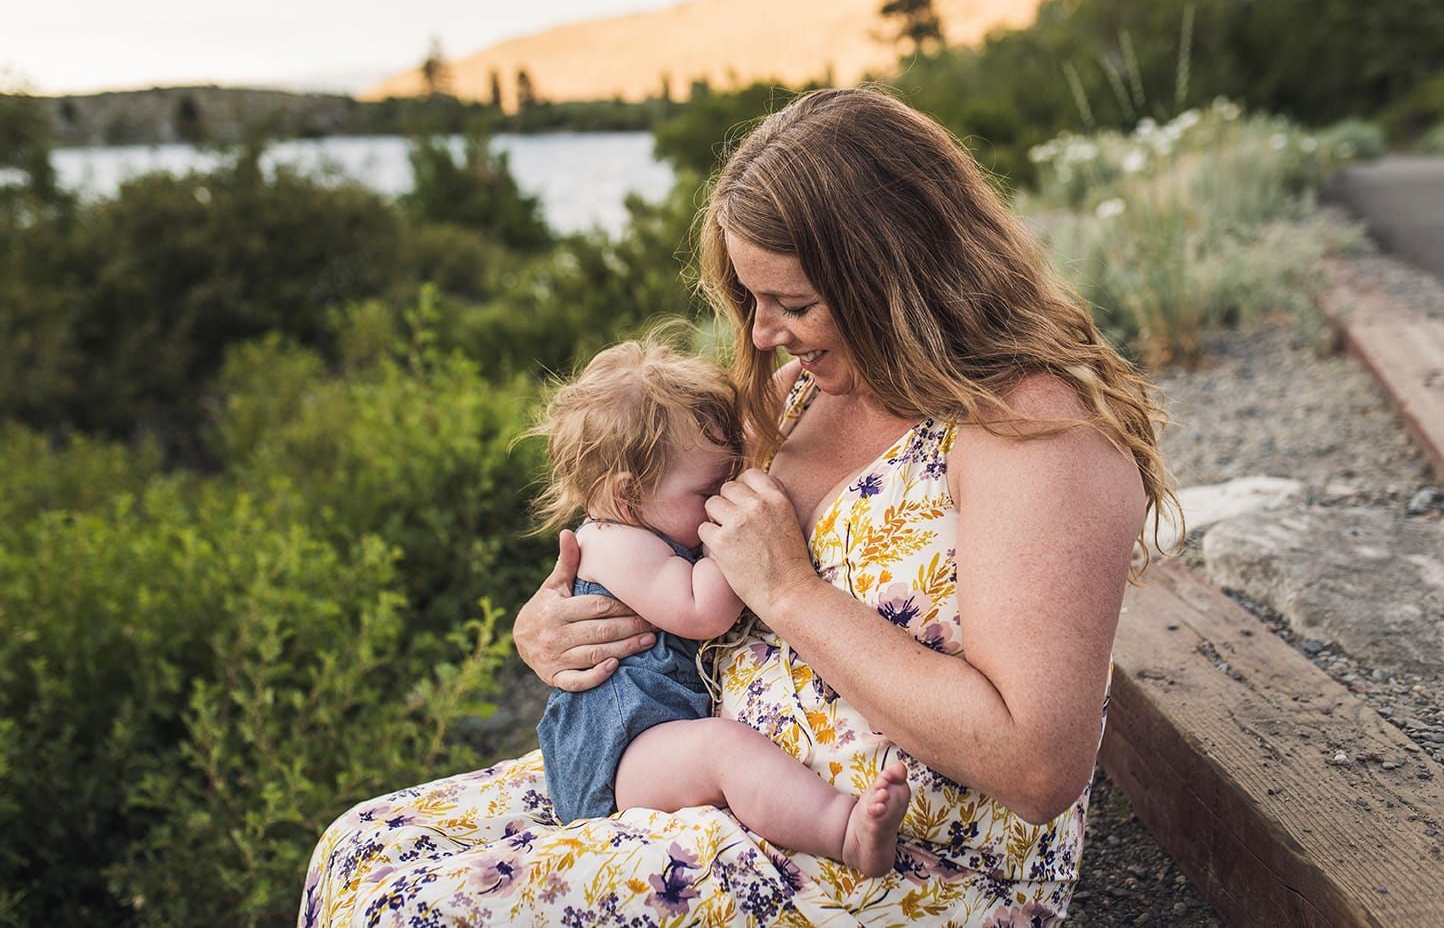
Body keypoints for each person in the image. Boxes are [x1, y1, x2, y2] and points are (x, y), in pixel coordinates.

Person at [298, 88, 1175, 926]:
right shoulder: (801, 393)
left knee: (412, 913)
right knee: (360, 852)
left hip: (888, 869)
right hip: (709, 775)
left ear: (895, 278)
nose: (758, 336)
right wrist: (560, 622)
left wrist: (792, 592)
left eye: (793, 303)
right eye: (751, 300)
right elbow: (662, 534)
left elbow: (1037, 763)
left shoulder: (1036, 433)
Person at [528, 336, 911, 876]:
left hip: (648, 733)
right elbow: (702, 610)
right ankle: (844, 832)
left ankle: (838, 825)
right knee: (724, 751)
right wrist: (741, 535)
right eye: (708, 489)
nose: (722, 496)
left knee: (722, 751)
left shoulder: (642, 522)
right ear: (628, 496)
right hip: (616, 758)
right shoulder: (615, 544)